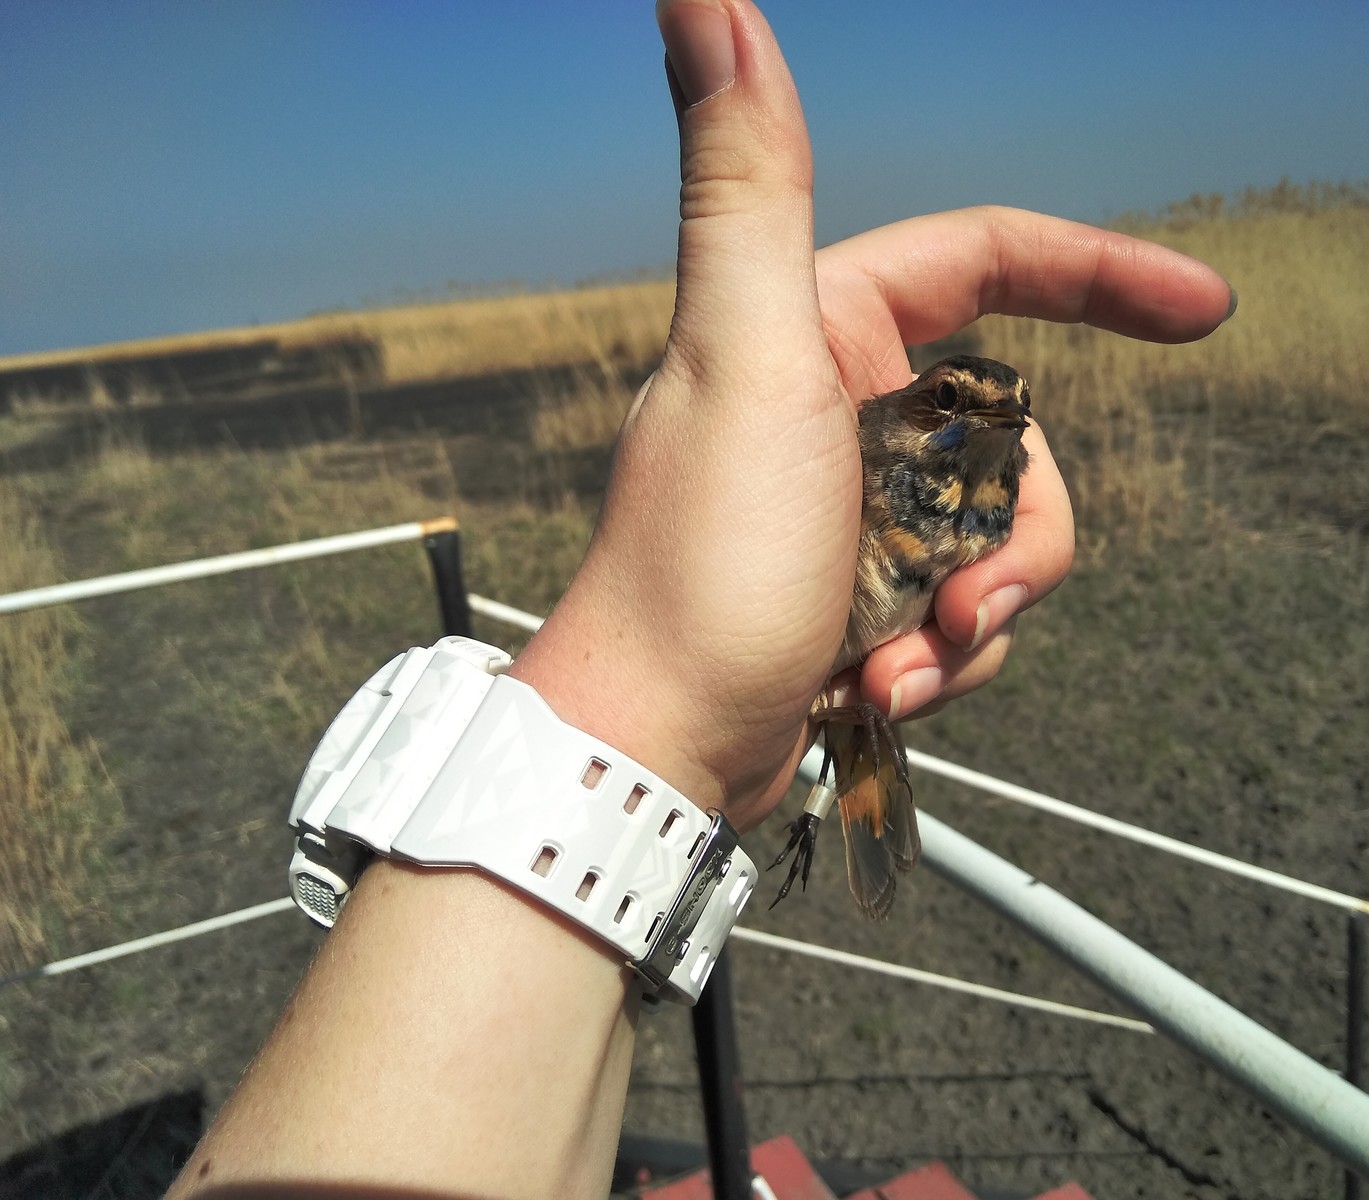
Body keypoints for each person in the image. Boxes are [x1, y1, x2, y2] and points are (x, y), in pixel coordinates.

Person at [166, 2, 1232, 1196]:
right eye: (963, 407)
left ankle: (824, 791)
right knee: (860, 748)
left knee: (866, 745)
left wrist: (676, 729)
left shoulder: (982, 487)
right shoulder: (869, 447)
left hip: (822, 686)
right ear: (921, 409)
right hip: (817, 667)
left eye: (1006, 415)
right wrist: (674, 718)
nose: (993, 428)